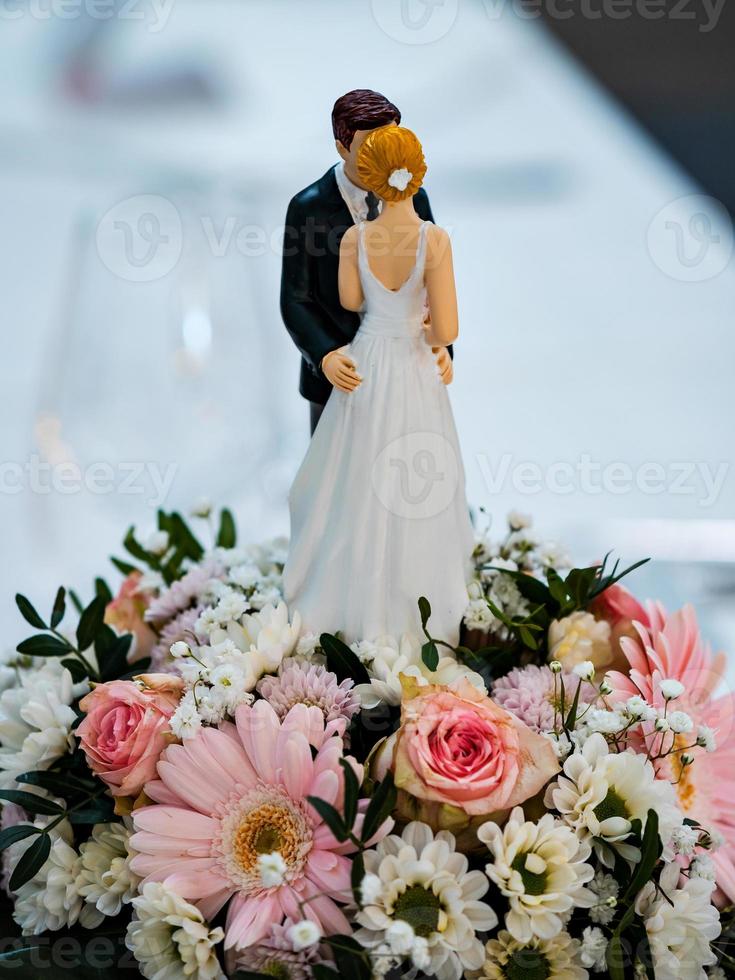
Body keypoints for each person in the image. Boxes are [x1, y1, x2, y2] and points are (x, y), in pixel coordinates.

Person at [283, 126, 473, 644]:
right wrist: (430, 334)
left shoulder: (355, 239)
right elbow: (446, 327)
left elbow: (349, 301)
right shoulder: (434, 239)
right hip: (411, 367)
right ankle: (416, 614)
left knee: (351, 481)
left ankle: (344, 604)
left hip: (368, 362)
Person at [280, 89, 453, 435]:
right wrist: (327, 355)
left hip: (407, 368)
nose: (384, 156)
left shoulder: (416, 198)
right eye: (370, 147)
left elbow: (433, 287)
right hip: (340, 374)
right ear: (342, 147)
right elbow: (295, 298)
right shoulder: (309, 208)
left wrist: (441, 348)